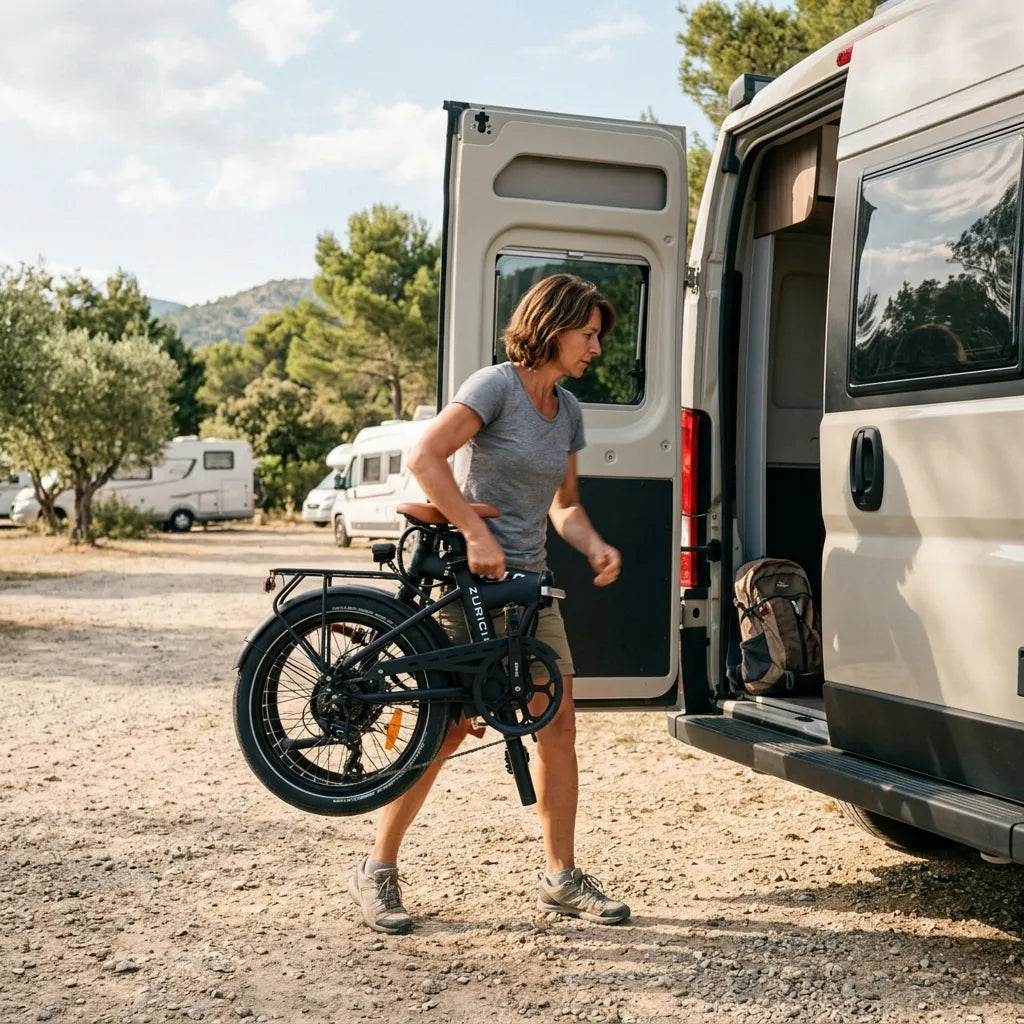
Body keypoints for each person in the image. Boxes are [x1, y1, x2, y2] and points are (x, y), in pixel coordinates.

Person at [348, 273, 630, 934]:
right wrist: (474, 532)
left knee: (556, 726)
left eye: (597, 337)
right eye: (587, 334)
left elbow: (565, 506)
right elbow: (426, 456)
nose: (595, 347)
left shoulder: (569, 412)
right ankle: (378, 870)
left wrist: (593, 545)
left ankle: (561, 878)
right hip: (463, 583)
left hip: (529, 586)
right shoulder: (495, 386)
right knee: (443, 729)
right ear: (553, 326)